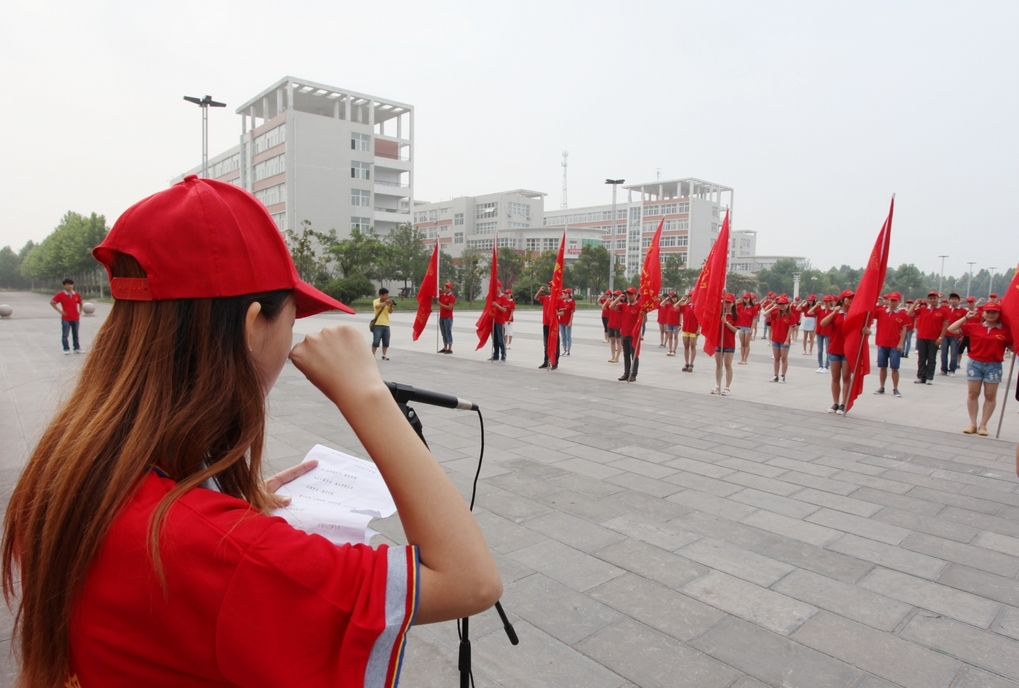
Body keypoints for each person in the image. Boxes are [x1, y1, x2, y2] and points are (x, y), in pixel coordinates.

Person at [1, 176, 501, 687]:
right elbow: (470, 581)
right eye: (293, 316)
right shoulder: (222, 554)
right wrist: (367, 396)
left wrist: (220, 503)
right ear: (252, 323)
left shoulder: (66, 471)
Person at [949, 302, 1013, 435]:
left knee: (990, 396)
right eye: (987, 312)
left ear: (999, 314)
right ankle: (973, 424)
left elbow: (1012, 346)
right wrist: (966, 317)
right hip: (975, 364)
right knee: (973, 394)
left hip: (994, 365)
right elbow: (951, 329)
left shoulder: (1005, 330)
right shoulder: (974, 327)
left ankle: (983, 425)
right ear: (983, 313)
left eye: (994, 312)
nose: (990, 315)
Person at [820, 289, 869, 414]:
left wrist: (867, 332)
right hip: (834, 349)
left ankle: (844, 404)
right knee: (835, 377)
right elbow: (823, 323)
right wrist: (834, 312)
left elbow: (866, 330)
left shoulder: (857, 314)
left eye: (853, 298)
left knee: (846, 377)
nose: (851, 300)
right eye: (848, 298)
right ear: (842, 300)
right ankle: (835, 403)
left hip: (849, 350)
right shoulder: (836, 313)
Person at [873, 292, 908, 397]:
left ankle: (895, 388)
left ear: (899, 302)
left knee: (894, 368)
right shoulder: (881, 312)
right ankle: (882, 387)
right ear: (888, 301)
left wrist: (901, 343)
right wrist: (876, 300)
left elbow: (904, 329)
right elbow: (870, 310)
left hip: (894, 345)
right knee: (882, 367)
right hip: (882, 343)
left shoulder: (902, 314)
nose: (892, 303)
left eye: (895, 301)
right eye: (891, 300)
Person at [907, 291, 947, 384]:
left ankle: (929, 377)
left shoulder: (943, 311)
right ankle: (921, 377)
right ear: (928, 300)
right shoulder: (923, 309)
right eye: (930, 298)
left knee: (931, 358)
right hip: (922, 337)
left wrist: (941, 338)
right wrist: (916, 304)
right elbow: (909, 313)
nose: (932, 300)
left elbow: (946, 325)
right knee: (921, 358)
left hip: (934, 338)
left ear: (938, 299)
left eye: (934, 298)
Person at [612, 287, 643, 382]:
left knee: (634, 355)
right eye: (627, 294)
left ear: (636, 295)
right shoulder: (624, 306)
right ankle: (626, 373)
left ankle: (633, 374)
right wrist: (619, 298)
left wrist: (644, 315)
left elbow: (643, 320)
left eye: (631, 294)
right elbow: (611, 306)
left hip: (634, 335)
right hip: (624, 333)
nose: (629, 296)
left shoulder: (639, 307)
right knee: (626, 355)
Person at [761, 295, 795, 383]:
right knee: (776, 358)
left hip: (784, 340)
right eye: (780, 304)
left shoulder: (791, 315)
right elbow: (764, 314)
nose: (782, 305)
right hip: (775, 339)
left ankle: (783, 376)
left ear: (788, 304)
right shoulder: (775, 313)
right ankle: (775, 375)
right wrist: (773, 307)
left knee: (784, 358)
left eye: (784, 304)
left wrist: (787, 340)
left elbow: (791, 329)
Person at [712, 295, 739, 396]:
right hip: (719, 343)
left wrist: (726, 322)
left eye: (729, 302)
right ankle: (717, 385)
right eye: (726, 302)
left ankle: (727, 387)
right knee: (718, 365)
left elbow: (736, 330)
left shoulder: (735, 316)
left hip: (729, 344)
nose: (727, 304)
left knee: (728, 365)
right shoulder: (719, 314)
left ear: (733, 303)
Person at [51, 278, 84, 354]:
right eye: (68, 284)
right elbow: (52, 302)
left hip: (75, 318)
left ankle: (77, 348)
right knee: (65, 335)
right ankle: (66, 349)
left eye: (71, 284)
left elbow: (81, 302)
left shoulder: (76, 294)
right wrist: (60, 311)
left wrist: (80, 311)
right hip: (66, 318)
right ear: (64, 286)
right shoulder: (60, 294)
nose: (70, 286)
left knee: (76, 334)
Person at [939, 293, 967, 376]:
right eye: (952, 299)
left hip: (955, 336)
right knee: (943, 353)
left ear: (959, 301)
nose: (953, 301)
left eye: (955, 299)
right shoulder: (945, 309)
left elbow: (964, 325)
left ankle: (952, 370)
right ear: (949, 300)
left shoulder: (963, 311)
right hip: (945, 335)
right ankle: (943, 370)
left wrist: (962, 336)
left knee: (954, 354)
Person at [534, 283, 560, 370]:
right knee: (546, 344)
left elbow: (562, 312)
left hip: (554, 325)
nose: (550, 288)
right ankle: (546, 361)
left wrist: (557, 313)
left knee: (555, 344)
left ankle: (554, 363)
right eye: (549, 286)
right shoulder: (546, 298)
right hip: (546, 323)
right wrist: (540, 291)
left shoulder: (558, 299)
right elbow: (536, 298)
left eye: (552, 286)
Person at [810, 295, 834, 373]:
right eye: (825, 301)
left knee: (828, 350)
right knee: (820, 350)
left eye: (828, 301)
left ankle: (826, 366)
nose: (826, 303)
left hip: (829, 332)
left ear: (831, 302)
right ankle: (820, 365)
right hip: (820, 332)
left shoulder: (833, 311)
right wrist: (816, 305)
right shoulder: (820, 309)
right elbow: (809, 312)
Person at [371, 287, 395, 360]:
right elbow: (377, 306)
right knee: (376, 341)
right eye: (385, 295)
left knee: (386, 341)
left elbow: (390, 312)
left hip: (386, 324)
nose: (387, 296)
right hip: (378, 324)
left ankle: (384, 355)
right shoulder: (376, 301)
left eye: (387, 295)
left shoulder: (387, 303)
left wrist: (391, 305)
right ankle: (372, 355)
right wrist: (386, 302)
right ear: (381, 295)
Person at [679, 293, 699, 372]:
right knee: (686, 346)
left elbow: (699, 319)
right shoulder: (686, 305)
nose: (691, 298)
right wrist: (682, 300)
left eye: (693, 296)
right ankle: (686, 363)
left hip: (693, 329)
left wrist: (698, 329)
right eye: (690, 296)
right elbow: (675, 306)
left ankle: (691, 364)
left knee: (693, 346)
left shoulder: (698, 306)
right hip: (685, 329)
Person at [735, 292, 756, 365]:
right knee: (742, 344)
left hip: (748, 327)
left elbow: (754, 319)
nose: (745, 299)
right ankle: (741, 358)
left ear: (750, 298)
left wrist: (751, 329)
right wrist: (736, 302)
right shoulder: (740, 306)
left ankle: (745, 359)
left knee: (746, 344)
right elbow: (732, 308)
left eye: (747, 298)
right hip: (741, 327)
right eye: (744, 298)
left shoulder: (753, 308)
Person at [438, 281, 455, 354]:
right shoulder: (443, 295)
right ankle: (445, 347)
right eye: (445, 287)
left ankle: (450, 348)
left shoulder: (451, 297)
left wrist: (440, 304)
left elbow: (449, 307)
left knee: (448, 332)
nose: (446, 288)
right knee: (443, 333)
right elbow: (436, 295)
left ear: (450, 289)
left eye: (448, 287)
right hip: (442, 316)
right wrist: (437, 290)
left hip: (448, 318)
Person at [606, 289, 623, 363]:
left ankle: (617, 357)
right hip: (611, 324)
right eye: (614, 295)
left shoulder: (622, 305)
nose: (615, 297)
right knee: (612, 341)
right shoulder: (611, 303)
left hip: (618, 325)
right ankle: (613, 356)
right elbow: (604, 307)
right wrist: (607, 300)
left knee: (618, 342)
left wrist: (619, 299)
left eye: (617, 295)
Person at [559, 288, 576, 356]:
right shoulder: (563, 301)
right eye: (564, 293)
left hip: (567, 322)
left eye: (566, 293)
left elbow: (572, 314)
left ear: (569, 294)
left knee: (568, 336)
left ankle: (568, 350)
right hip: (562, 321)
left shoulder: (571, 302)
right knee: (563, 336)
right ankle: (564, 349)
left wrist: (570, 322)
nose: (564, 295)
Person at [665, 291, 681, 357]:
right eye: (673, 298)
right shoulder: (669, 305)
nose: (674, 299)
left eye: (675, 298)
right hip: (669, 323)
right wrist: (667, 298)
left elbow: (681, 315)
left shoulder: (679, 306)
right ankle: (670, 349)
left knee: (675, 337)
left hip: (676, 324)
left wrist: (680, 324)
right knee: (670, 337)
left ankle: (674, 350)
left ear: (677, 298)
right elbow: (661, 304)